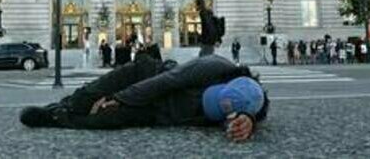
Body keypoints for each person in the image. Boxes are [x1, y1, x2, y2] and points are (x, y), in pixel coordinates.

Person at [20, 54, 269, 142]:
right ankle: (61, 107)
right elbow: (167, 80)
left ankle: (59, 119)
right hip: (146, 76)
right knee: (91, 94)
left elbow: (256, 108)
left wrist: (248, 120)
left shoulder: (247, 100)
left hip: (159, 112)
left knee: (106, 120)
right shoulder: (215, 65)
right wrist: (119, 98)